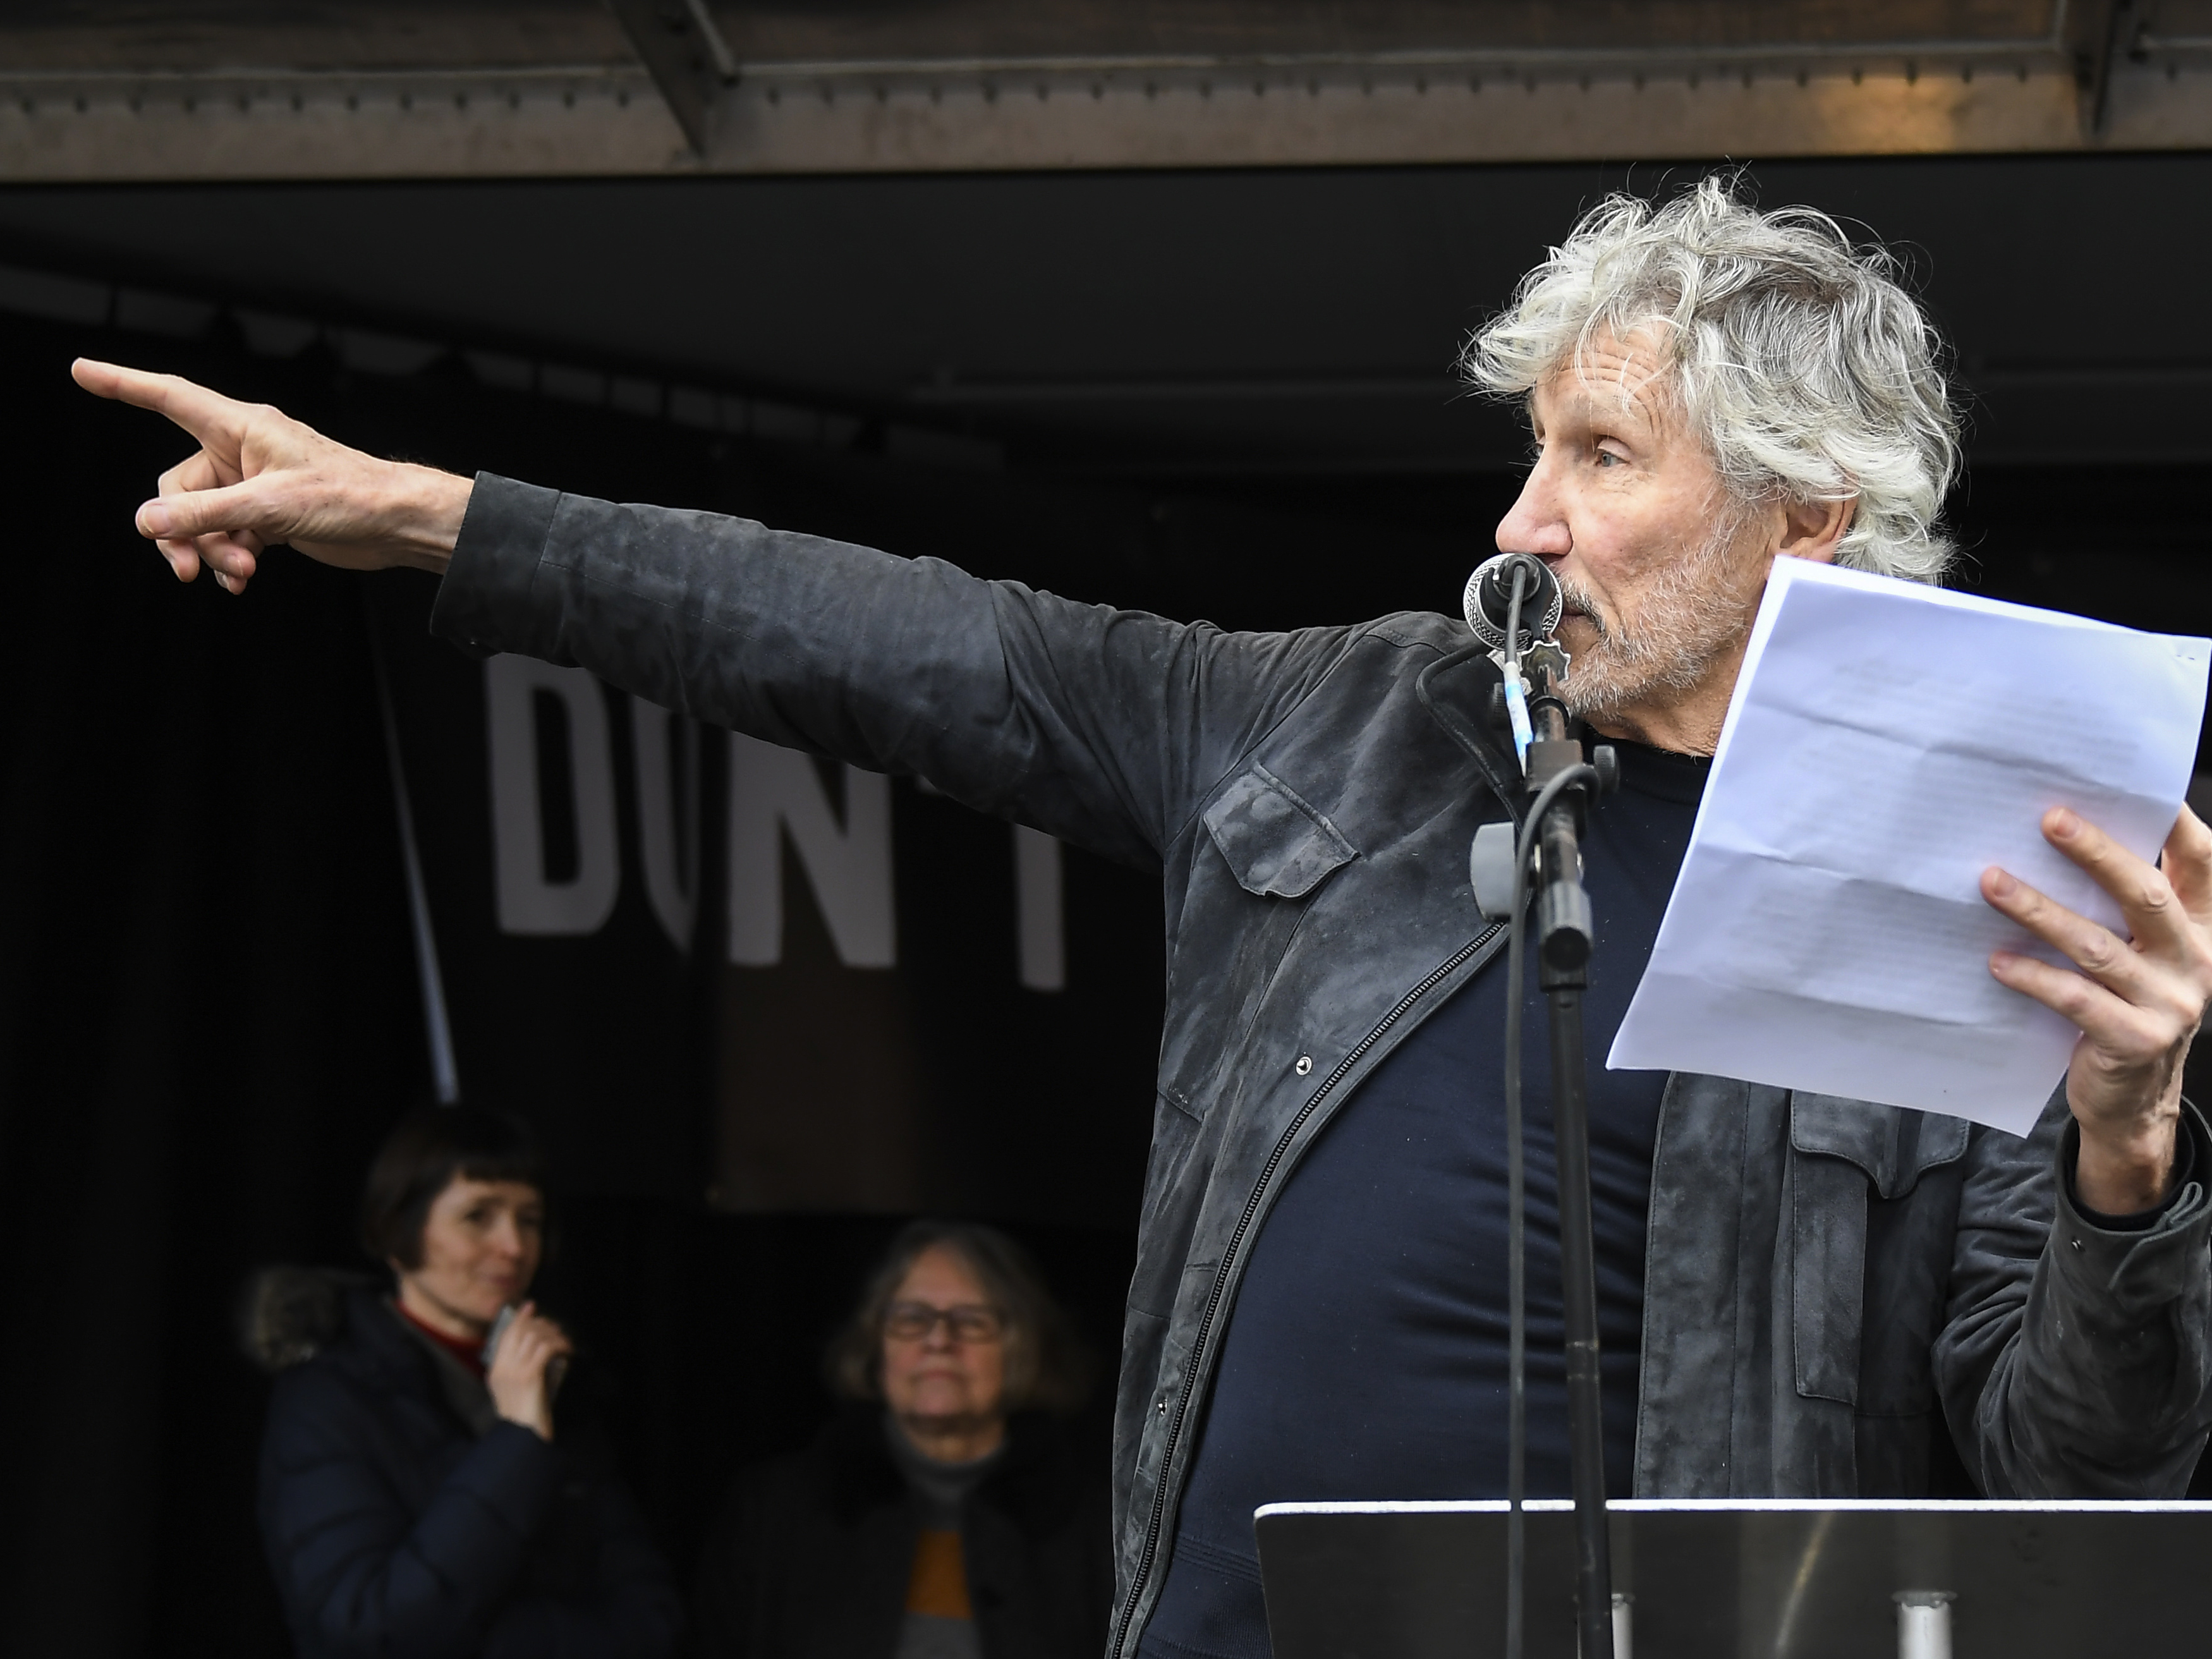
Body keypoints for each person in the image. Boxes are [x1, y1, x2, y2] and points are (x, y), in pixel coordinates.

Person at [85, 176, 2212, 1659]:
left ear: (1804, 513)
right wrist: (425, 519)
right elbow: (889, 642)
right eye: (1527, 446)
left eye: (1600, 455)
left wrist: (2127, 1148)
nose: (1522, 515)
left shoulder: (1986, 877)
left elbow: (2074, 1468)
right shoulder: (1343, 726)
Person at [244, 1103, 683, 1658]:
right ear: (395, 1230)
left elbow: (655, 1624)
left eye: (529, 1219)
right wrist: (519, 1438)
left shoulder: (565, 1390)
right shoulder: (327, 1400)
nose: (515, 1247)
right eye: (479, 1216)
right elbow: (369, 1630)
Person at [695, 1220, 1109, 1659]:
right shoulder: (772, 1512)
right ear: (876, 1344)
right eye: (912, 1318)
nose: (939, 1341)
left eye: (971, 1321)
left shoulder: (1099, 1530)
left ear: (1021, 1347)